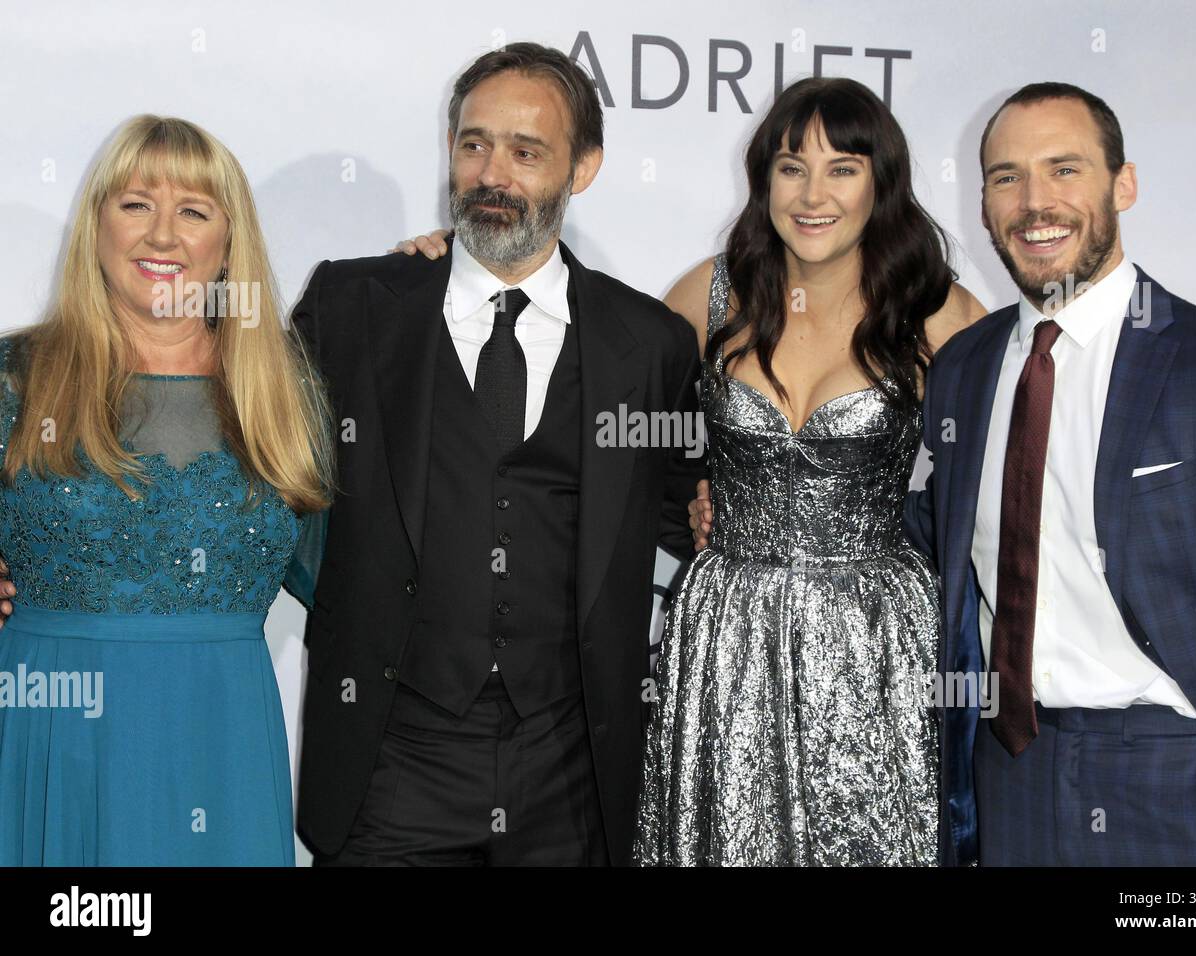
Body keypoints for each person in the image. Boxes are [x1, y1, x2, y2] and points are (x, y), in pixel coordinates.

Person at [412, 76, 985, 864]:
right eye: (790, 167)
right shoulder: (711, 296)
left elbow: (1001, 480)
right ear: (763, 180)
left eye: (842, 168)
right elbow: (590, 375)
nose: (812, 194)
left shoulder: (936, 311)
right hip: (727, 636)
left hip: (873, 645)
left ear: (881, 182)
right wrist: (451, 263)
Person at [293, 42, 704, 866]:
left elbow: (685, 512)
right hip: (392, 760)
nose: (492, 174)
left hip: (572, 773)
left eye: (526, 152)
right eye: (474, 143)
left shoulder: (649, 343)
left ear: (583, 168)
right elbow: (248, 469)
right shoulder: (355, 306)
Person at [902, 82, 1196, 865]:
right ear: (982, 205)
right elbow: (939, 527)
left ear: (1124, 184)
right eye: (1007, 177)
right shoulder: (963, 368)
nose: (1034, 202)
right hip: (1008, 775)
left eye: (1064, 169)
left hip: (1182, 783)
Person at [0, 114, 334, 865]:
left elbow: (363, 594)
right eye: (134, 204)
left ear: (228, 241)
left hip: (221, 750)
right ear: (95, 228)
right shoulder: (12, 378)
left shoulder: (284, 394)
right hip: (50, 742)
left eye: (192, 211)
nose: (161, 236)